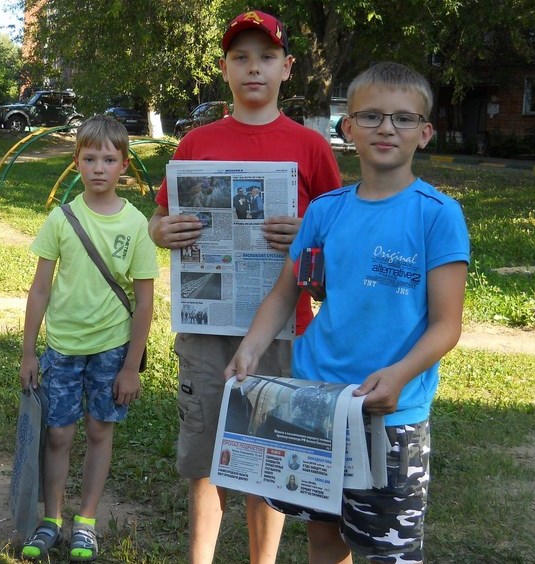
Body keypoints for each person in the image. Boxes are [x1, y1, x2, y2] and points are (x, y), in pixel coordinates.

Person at [225, 62, 470, 563]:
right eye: (372, 116)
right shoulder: (325, 210)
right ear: (348, 128)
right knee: (323, 536)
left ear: (424, 134)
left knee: (387, 552)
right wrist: (250, 348)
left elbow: (448, 324)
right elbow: (283, 294)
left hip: (390, 412)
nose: (386, 128)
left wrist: (399, 375)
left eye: (403, 119)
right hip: (316, 404)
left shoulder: (437, 214)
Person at [148, 10, 342, 564]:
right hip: (208, 331)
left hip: (285, 331)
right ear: (223, 69)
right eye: (240, 57)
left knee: (269, 456)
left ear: (287, 68)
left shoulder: (311, 147)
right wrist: (162, 230)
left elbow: (337, 240)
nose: (253, 68)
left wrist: (308, 239)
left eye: (266, 57)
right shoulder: (196, 143)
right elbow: (157, 220)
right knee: (208, 459)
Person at [19, 115, 159, 561]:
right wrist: (28, 352)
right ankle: (52, 517)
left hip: (112, 350)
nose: (99, 167)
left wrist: (130, 366)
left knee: (100, 431)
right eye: (90, 157)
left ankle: (87, 520)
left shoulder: (136, 225)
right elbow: (40, 288)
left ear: (124, 167)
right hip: (61, 350)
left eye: (109, 159)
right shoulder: (60, 220)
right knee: (58, 435)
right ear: (76, 162)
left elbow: (145, 302)